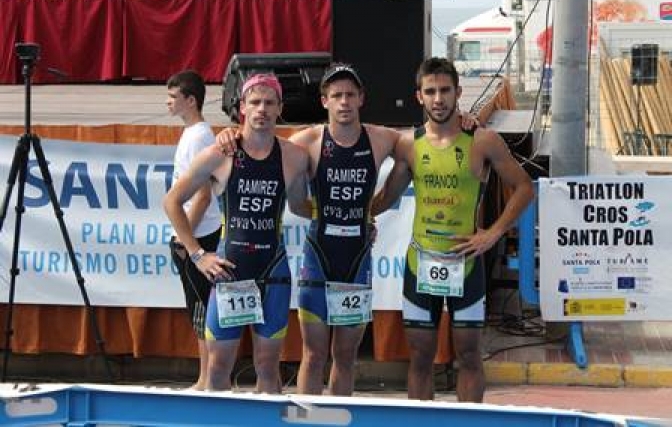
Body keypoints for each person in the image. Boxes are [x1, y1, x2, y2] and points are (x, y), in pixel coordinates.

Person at [216, 64, 479, 396]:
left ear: (361, 99)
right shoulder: (306, 141)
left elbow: (431, 140)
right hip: (318, 257)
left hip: (356, 261)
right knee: (313, 355)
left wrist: (463, 121)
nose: (344, 102)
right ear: (324, 101)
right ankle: (309, 423)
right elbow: (262, 145)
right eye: (336, 95)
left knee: (345, 356)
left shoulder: (382, 138)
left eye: (350, 95)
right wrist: (232, 134)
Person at [372, 57, 534, 402]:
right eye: (430, 91)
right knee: (419, 359)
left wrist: (494, 232)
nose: (438, 98)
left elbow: (524, 187)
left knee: (470, 357)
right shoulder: (408, 144)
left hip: (466, 265)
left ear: (458, 92)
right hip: (421, 264)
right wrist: (345, 215)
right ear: (419, 96)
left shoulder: (483, 140)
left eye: (445, 90)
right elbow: (386, 198)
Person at [163, 74, 310, 393]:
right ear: (242, 107)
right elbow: (172, 201)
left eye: (269, 103)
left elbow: (301, 207)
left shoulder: (294, 157)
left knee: (269, 370)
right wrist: (197, 254)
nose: (262, 109)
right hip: (231, 273)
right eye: (255, 103)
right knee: (217, 372)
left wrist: (359, 219)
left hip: (273, 273)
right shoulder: (221, 153)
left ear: (279, 108)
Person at [166, 70, 222, 391]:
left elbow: (203, 195)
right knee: (199, 308)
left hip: (198, 235)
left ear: (191, 100)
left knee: (202, 309)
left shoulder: (200, 136)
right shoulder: (192, 134)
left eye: (173, 97)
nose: (168, 102)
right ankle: (207, 377)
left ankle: (207, 380)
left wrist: (186, 239)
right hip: (195, 232)